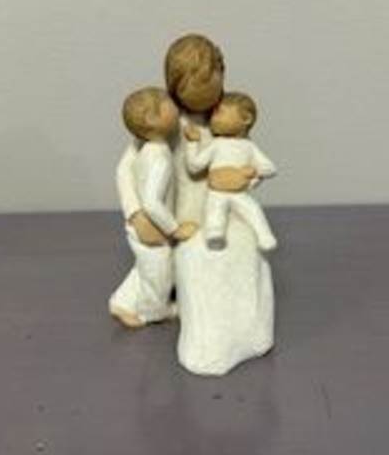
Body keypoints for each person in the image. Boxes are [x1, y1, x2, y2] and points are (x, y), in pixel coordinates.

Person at [165, 34, 276, 375]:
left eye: (210, 83)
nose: (206, 97)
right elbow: (138, 168)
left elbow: (253, 162)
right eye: (193, 85)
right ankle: (189, 315)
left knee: (243, 249)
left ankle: (249, 330)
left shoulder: (227, 114)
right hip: (184, 215)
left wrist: (247, 179)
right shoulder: (170, 122)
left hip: (228, 206)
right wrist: (147, 215)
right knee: (193, 260)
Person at [109, 87, 198, 328]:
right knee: (159, 273)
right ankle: (153, 311)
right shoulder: (159, 157)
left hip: (144, 226)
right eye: (167, 103)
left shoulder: (148, 148)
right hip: (152, 226)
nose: (173, 104)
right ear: (152, 119)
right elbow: (151, 201)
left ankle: (121, 302)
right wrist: (174, 229)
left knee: (145, 267)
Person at [183, 91, 278, 251]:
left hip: (239, 192)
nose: (213, 118)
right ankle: (214, 235)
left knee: (253, 210)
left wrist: (254, 173)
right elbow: (195, 166)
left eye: (219, 113)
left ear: (246, 118)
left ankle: (264, 236)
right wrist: (193, 143)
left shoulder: (248, 147)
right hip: (216, 192)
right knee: (214, 212)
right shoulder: (216, 145)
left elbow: (270, 168)